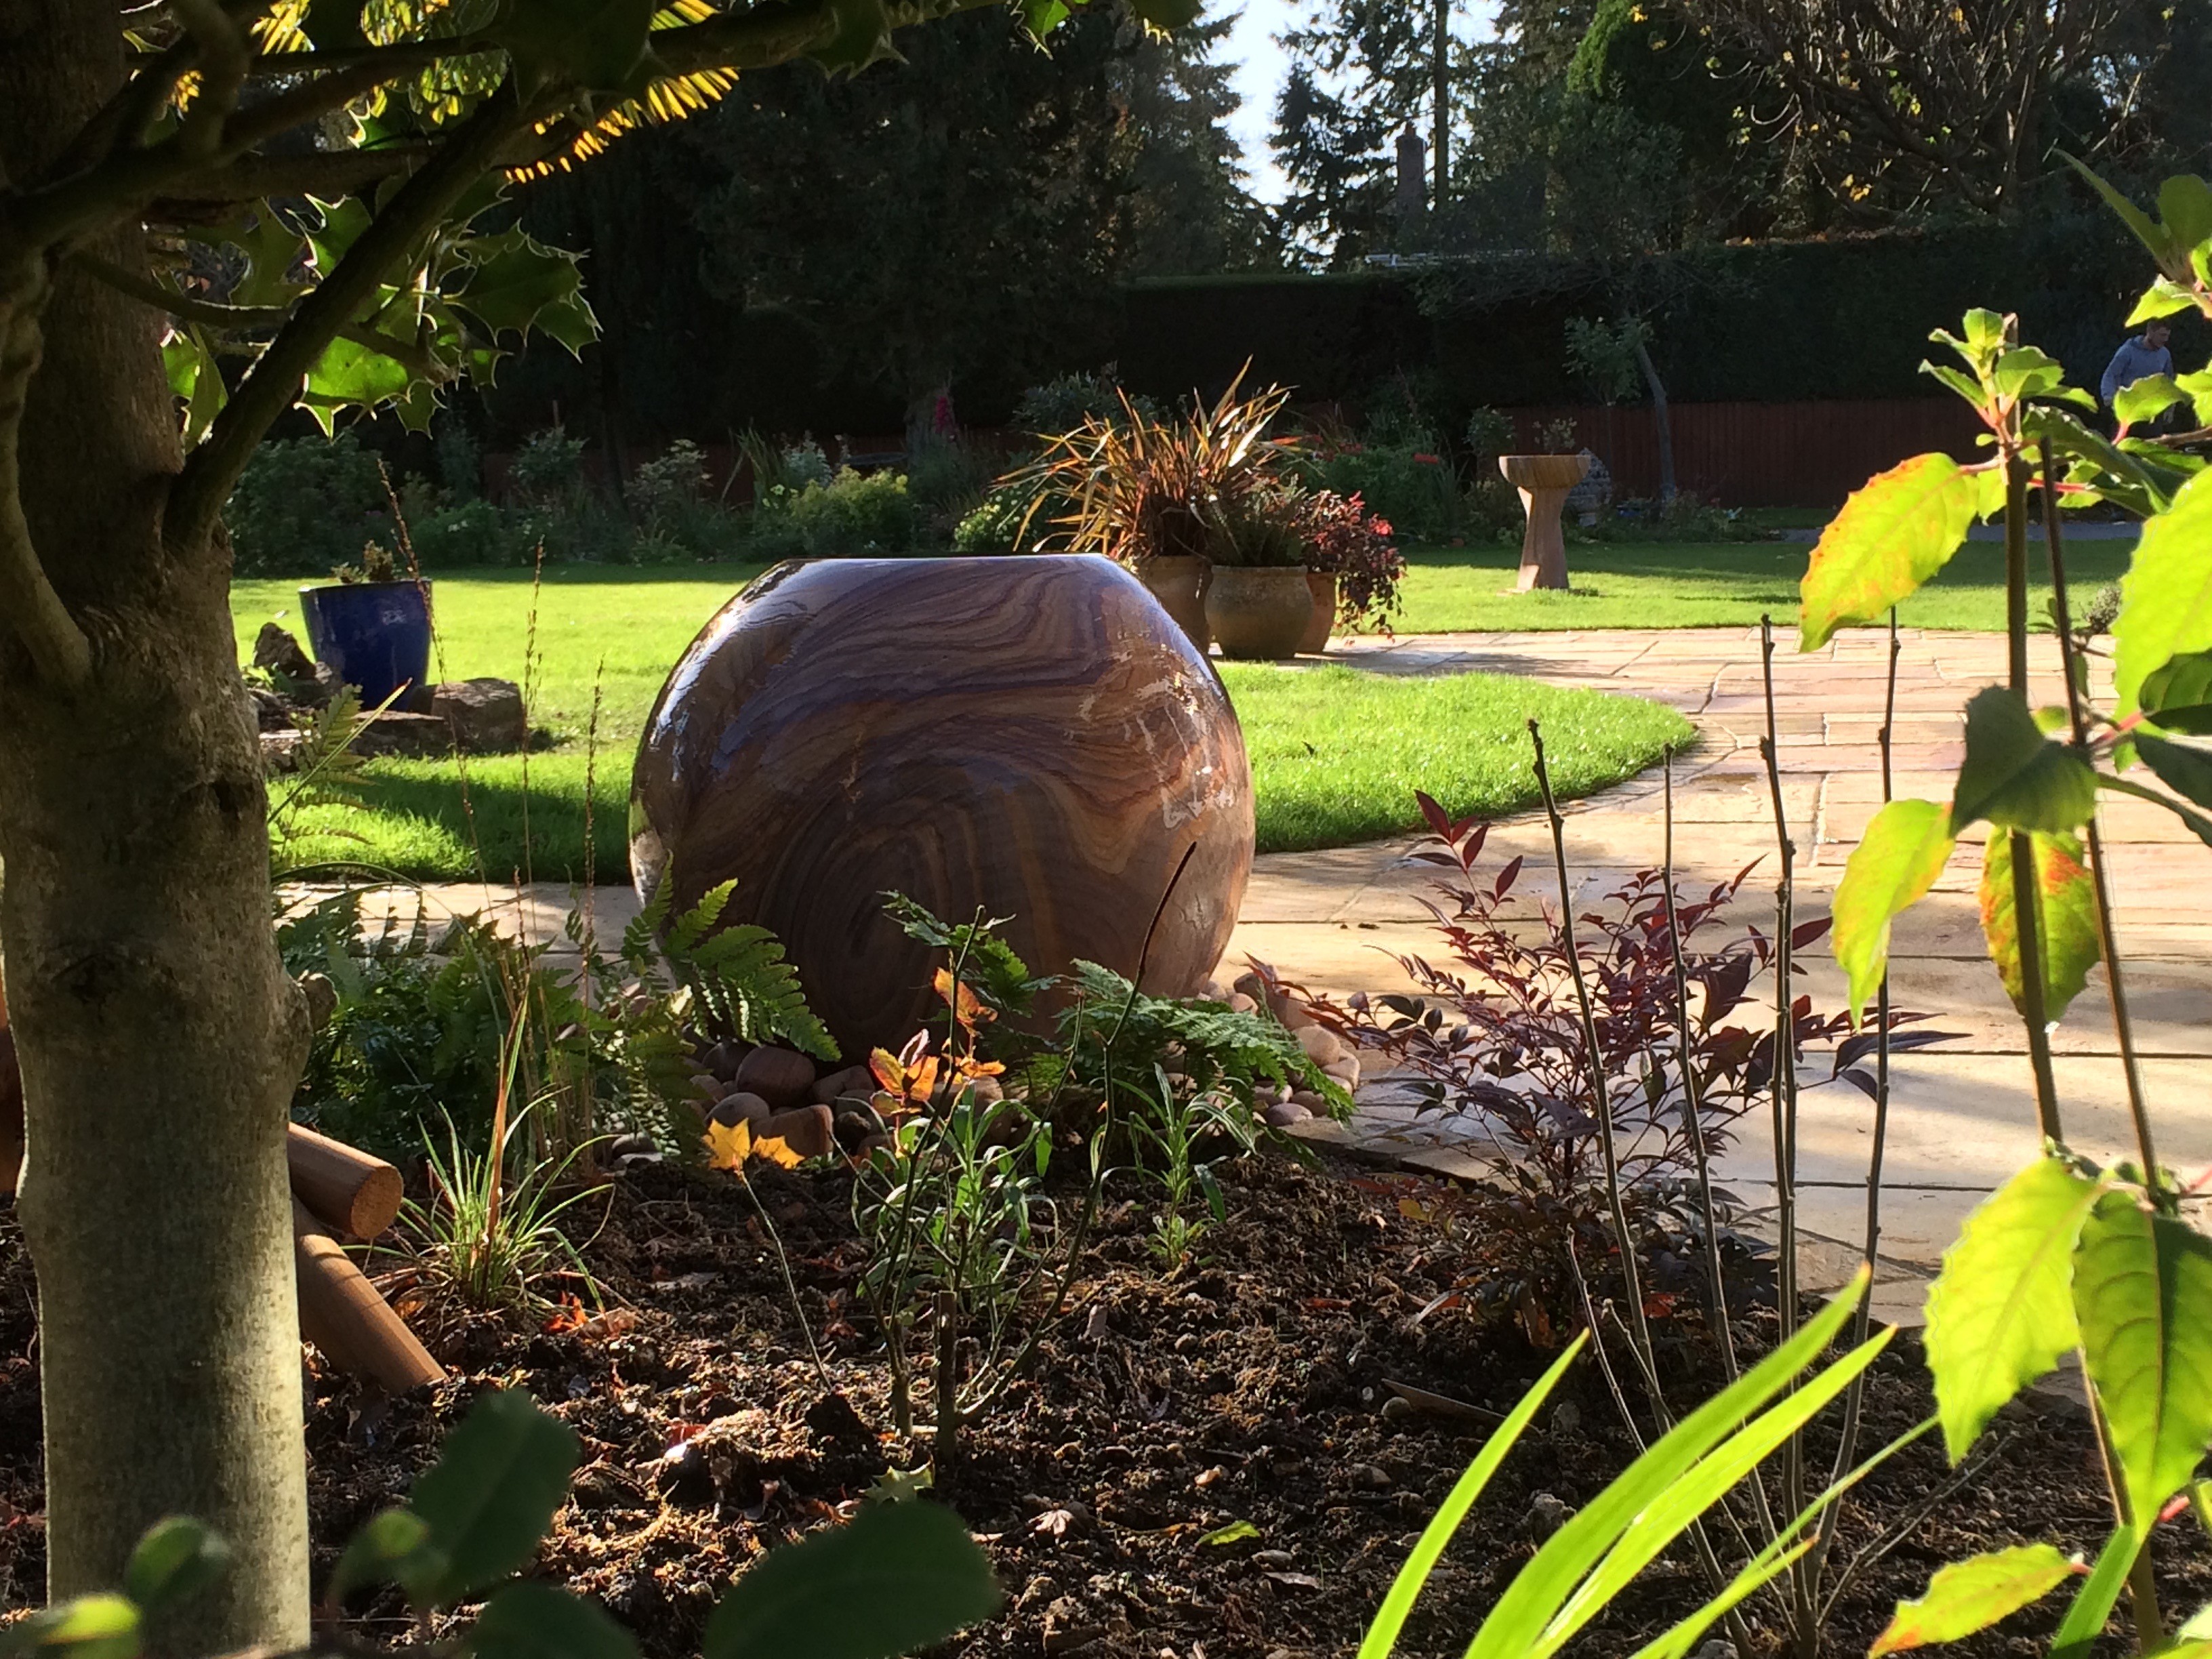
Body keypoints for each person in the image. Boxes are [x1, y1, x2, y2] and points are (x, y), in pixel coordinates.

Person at [2101, 317, 2173, 409]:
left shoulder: (2165, 354)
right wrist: (2109, 396)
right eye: (2162, 335)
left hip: (2151, 409)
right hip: (2128, 407)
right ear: (2150, 332)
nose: (2166, 339)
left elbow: (2168, 382)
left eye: (2167, 336)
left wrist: (2170, 407)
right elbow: (2111, 374)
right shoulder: (2128, 351)